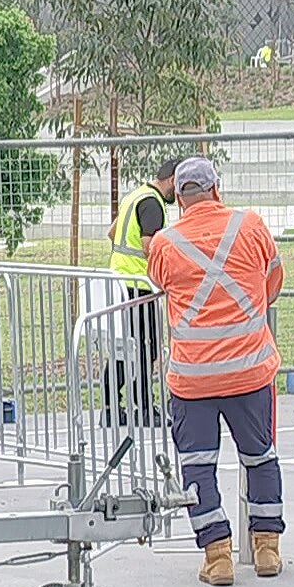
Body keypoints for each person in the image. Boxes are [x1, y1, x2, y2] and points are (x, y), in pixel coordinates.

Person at [146, 156, 285, 586]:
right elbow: (274, 281)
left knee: (198, 466)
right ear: (216, 189)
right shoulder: (251, 226)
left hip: (194, 379)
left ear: (179, 199)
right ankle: (266, 549)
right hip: (249, 371)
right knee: (260, 457)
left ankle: (218, 555)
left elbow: (161, 288)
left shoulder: (166, 244)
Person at [104, 158, 182, 416]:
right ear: (172, 180)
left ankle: (111, 405)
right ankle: (145, 405)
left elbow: (112, 233)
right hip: (139, 286)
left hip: (117, 283)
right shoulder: (153, 204)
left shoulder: (135, 195)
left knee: (122, 347)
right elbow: (151, 247)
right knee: (146, 347)